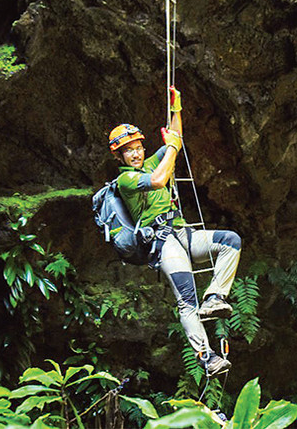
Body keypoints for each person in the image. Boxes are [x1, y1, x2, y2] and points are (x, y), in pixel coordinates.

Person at [107, 87, 241, 377]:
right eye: (128, 150)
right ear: (120, 156)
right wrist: (170, 148)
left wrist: (176, 110)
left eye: (138, 147)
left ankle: (215, 297)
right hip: (164, 243)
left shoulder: (153, 159)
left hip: (183, 234)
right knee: (185, 297)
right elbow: (158, 179)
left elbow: (176, 140)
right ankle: (206, 358)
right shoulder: (127, 179)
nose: (136, 153)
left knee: (231, 241)